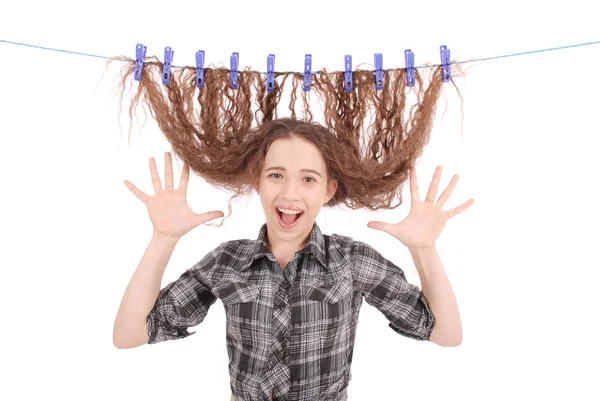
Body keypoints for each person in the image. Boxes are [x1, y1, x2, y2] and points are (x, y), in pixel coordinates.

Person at [112, 120, 473, 401]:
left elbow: (446, 333)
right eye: (276, 176)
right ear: (258, 181)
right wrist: (164, 238)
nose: (290, 194)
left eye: (308, 179)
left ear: (328, 190)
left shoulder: (351, 260)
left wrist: (424, 249)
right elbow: (129, 335)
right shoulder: (227, 261)